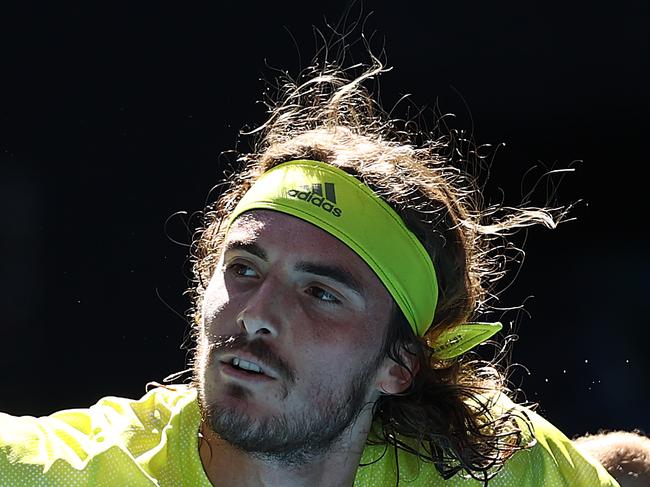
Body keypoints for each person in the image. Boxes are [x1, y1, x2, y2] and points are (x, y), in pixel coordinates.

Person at [0, 58, 641, 486]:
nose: (255, 314)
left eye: (319, 293)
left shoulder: (488, 466)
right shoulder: (55, 470)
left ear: (398, 367)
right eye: (245, 268)